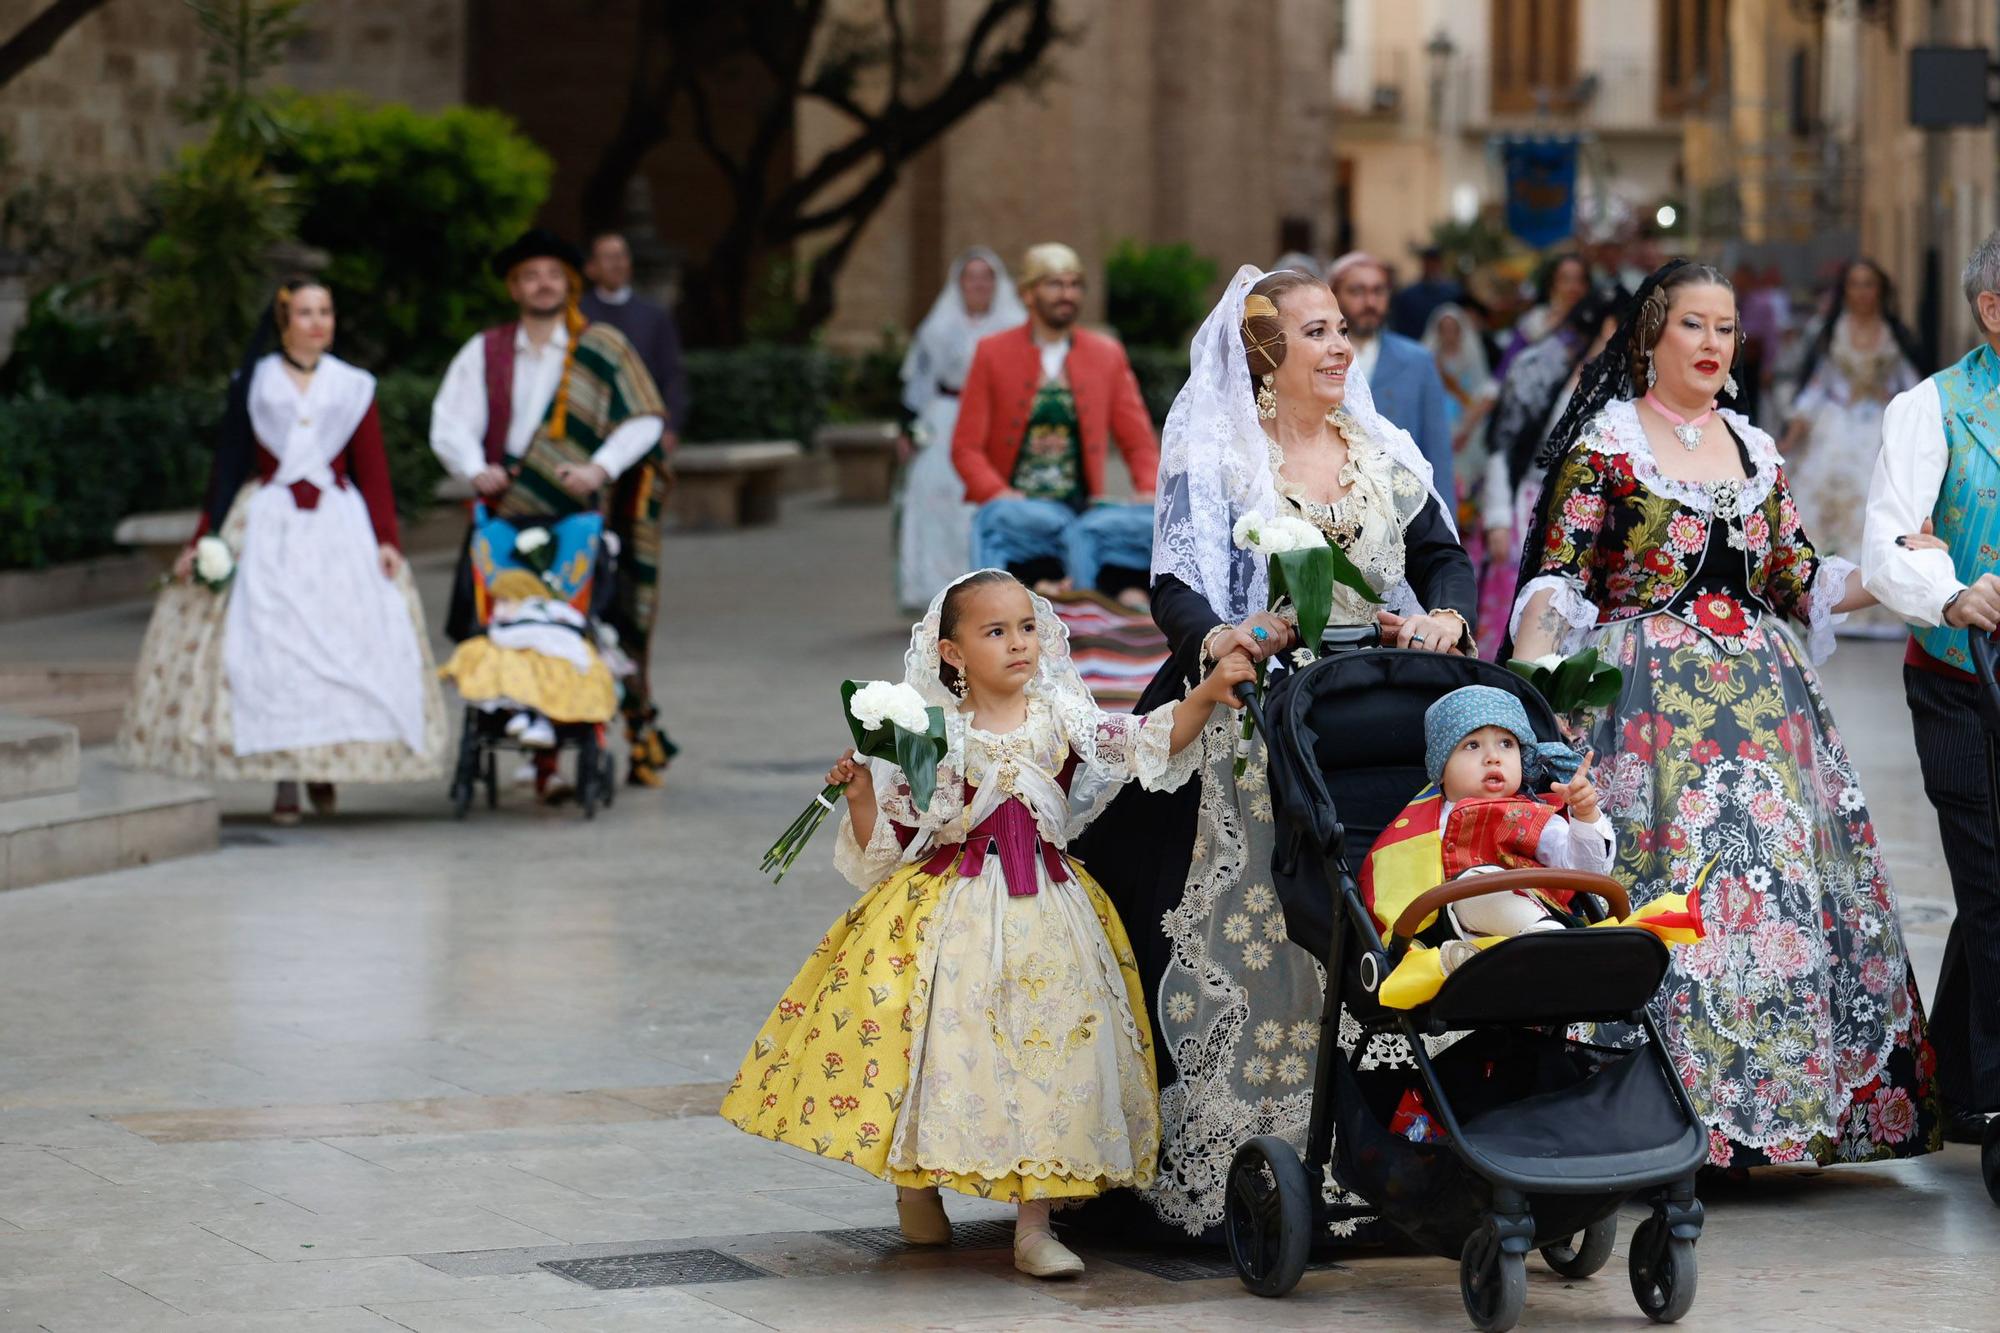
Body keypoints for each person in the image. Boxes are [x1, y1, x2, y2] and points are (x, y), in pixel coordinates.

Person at [1508, 259, 1942, 1168]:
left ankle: (1779, 1119)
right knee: (1674, 898)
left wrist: (1898, 568)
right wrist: (1536, 675)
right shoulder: (1608, 448)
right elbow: (1558, 577)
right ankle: (1656, 1115)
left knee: (1775, 897)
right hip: (1647, 714)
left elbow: (1796, 579)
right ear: (1651, 337)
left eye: (1726, 328)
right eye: (1695, 326)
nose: (1714, 344)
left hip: (1765, 710)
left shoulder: (1756, 450)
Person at [1073, 265, 1476, 1240]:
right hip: (1252, 719)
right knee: (1255, 926)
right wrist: (1219, 638)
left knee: (1383, 913)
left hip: (1369, 718)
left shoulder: (1377, 450)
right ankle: (1250, 1142)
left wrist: (1448, 616)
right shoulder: (1218, 458)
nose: (1339, 347)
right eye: (1314, 333)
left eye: (1340, 329)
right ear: (1263, 356)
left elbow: (1438, 555)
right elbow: (1175, 582)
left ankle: (1399, 1140)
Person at [720, 570, 1253, 1278]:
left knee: (1048, 1047)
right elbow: (899, 837)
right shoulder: (933, 733)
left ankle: (1034, 1223)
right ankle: (917, 1185)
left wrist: (1205, 695)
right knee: (935, 1037)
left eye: (1028, 627)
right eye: (995, 631)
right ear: (952, 653)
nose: (1018, 643)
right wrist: (858, 792)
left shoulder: (1060, 714)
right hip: (952, 903)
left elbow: (1145, 740)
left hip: (1050, 909)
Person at [118, 280, 445, 820]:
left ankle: (323, 767)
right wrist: (205, 536)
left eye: (326, 312)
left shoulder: (352, 386)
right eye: (305, 313)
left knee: (340, 644)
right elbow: (227, 465)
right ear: (283, 321)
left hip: (337, 528)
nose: (318, 322)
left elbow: (373, 467)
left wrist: (387, 539)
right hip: (270, 522)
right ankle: (285, 778)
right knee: (272, 648)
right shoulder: (256, 382)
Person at [430, 228, 676, 791]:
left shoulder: (602, 346)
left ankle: (564, 736)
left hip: (578, 511)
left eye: (552, 275)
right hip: (505, 507)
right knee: (511, 622)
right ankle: (526, 735)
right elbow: (449, 422)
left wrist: (600, 469)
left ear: (568, 283)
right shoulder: (485, 350)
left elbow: (644, 418)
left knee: (573, 624)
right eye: (529, 275)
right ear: (514, 288)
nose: (542, 284)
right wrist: (473, 467)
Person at [1862, 229, 2000, 1147]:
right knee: (1991, 881)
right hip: (1963, 678)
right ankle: (1992, 1099)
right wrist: (1949, 588)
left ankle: (1949, 1064)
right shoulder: (1932, 408)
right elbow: (1889, 542)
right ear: (1992, 309)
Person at [951, 243, 1159, 605]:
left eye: (1075, 284)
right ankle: (1005, 606)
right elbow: (965, 447)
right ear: (1027, 293)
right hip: (1021, 507)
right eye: (1055, 284)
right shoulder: (992, 352)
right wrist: (997, 492)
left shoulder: (1105, 354)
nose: (1067, 294)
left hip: (1083, 508)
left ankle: (1106, 608)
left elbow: (1138, 442)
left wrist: (1148, 488)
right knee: (995, 518)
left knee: (1148, 523)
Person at [1475, 285, 1627, 659]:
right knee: (1521, 610)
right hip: (1532, 503)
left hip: (1600, 518)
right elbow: (1504, 444)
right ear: (1611, 325)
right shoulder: (1541, 367)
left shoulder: (1634, 382)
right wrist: (1497, 517)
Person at [1779, 260, 1924, 637]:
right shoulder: (1829, 333)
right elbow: (1815, 386)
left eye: (1869, 284)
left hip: (1878, 429)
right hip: (1834, 427)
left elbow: (1912, 384)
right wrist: (1792, 435)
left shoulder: (1894, 334)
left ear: (1881, 290)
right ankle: (1822, 599)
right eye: (1855, 284)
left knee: (1875, 507)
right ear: (1845, 290)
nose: (1862, 292)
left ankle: (1874, 606)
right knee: (1825, 506)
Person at [895, 247, 1027, 611]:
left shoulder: (1014, 327)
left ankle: (990, 591)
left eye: (987, 278)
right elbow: (918, 381)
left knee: (984, 502)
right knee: (937, 501)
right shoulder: (937, 328)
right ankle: (936, 591)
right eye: (972, 278)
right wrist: (907, 429)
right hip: (945, 417)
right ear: (960, 283)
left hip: (993, 419)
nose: (979, 285)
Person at [1327, 251, 1455, 489]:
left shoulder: (1418, 361)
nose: (1370, 302)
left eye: (1378, 291)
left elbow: (1438, 452)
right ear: (1333, 295)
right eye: (1356, 291)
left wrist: (1445, 524)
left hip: (1402, 506)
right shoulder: (1317, 358)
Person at [578, 230, 690, 442]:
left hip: (644, 424)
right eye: (608, 257)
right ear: (591, 268)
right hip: (590, 424)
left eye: (622, 256)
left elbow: (672, 374)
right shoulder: (577, 315)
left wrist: (671, 426)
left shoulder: (654, 315)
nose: (617, 264)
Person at [1422, 302, 1497, 505]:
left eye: (1452, 329)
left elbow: (1482, 392)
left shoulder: (1471, 357)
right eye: (1443, 329)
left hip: (1465, 424)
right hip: (1437, 424)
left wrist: (1466, 428)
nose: (1448, 334)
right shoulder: (1428, 360)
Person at [1498, 252, 1591, 374]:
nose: (1573, 287)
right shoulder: (1535, 320)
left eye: (1580, 280)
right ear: (1553, 284)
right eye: (1565, 279)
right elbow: (1507, 366)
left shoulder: (1594, 324)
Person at [1390, 245, 1467, 340]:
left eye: (1435, 263)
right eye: (1429, 263)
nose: (1432, 266)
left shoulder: (1454, 292)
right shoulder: (1407, 295)